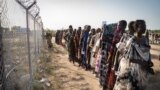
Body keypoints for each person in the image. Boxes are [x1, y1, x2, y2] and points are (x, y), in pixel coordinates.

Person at [106, 20, 127, 90]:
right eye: (118, 25)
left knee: (117, 72)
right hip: (113, 54)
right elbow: (113, 45)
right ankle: (109, 86)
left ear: (124, 26)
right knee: (111, 70)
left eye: (119, 25)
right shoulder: (116, 33)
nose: (117, 26)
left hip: (120, 57)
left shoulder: (126, 36)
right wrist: (110, 55)